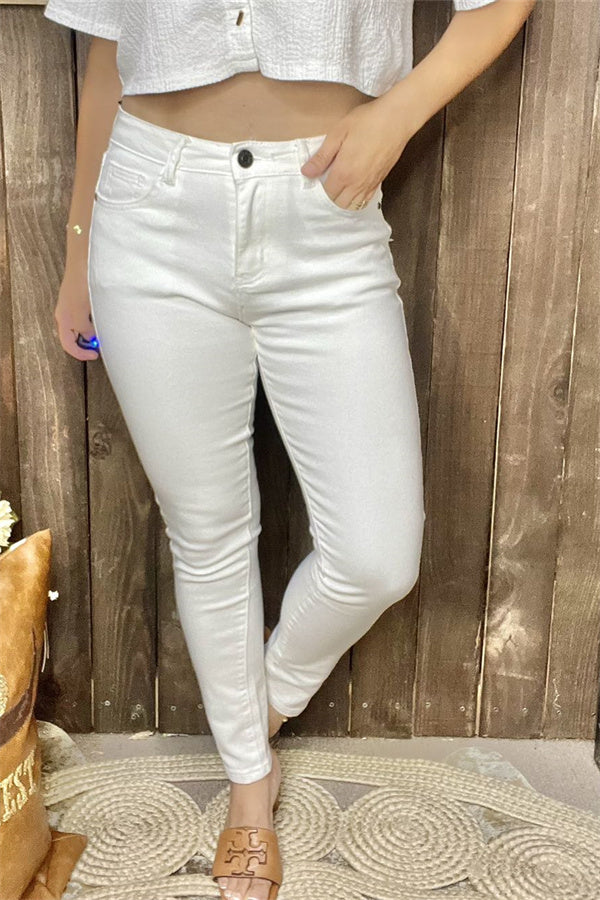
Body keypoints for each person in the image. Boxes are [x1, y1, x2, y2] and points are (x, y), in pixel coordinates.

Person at [43, 1, 537, 897]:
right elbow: (110, 47)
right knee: (207, 532)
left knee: (378, 556)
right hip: (150, 208)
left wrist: (398, 112)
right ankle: (248, 784)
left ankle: (260, 705)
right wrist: (78, 251)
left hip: (325, 207)